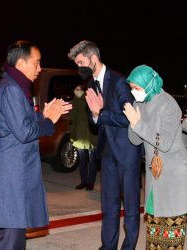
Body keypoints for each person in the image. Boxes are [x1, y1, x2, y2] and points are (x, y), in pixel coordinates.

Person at [0, 40, 72, 250]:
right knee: (9, 240)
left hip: (16, 172)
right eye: (37, 63)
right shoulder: (11, 89)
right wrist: (49, 120)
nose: (39, 69)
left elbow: (20, 126)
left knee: (13, 237)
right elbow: (24, 133)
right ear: (22, 63)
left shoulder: (15, 87)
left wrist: (42, 116)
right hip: (12, 174)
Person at [68, 40, 142, 250]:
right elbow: (95, 119)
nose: (79, 68)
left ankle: (128, 246)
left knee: (130, 208)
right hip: (107, 153)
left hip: (128, 152)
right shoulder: (91, 84)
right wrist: (95, 116)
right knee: (108, 206)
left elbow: (130, 118)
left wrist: (101, 113)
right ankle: (107, 246)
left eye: (81, 62)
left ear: (93, 58)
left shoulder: (119, 81)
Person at [123, 65, 187, 249]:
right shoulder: (139, 103)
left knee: (170, 238)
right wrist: (133, 123)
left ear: (149, 84)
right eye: (132, 88)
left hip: (173, 176)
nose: (134, 93)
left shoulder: (169, 105)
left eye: (137, 88)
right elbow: (134, 140)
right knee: (154, 237)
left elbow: (163, 142)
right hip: (155, 177)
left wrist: (138, 123)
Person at [69, 84, 98, 191]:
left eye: (78, 89)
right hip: (79, 135)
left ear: (83, 90)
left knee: (91, 160)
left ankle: (90, 183)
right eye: (75, 89)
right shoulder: (75, 101)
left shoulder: (88, 99)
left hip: (90, 135)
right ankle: (84, 181)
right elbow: (73, 118)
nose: (76, 91)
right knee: (82, 160)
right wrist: (72, 134)